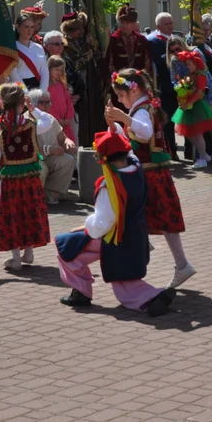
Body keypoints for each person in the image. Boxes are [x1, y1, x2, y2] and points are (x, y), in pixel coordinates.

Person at [54, 128, 176, 315]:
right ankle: (154, 296)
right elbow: (128, 149)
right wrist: (113, 126)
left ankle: (83, 292)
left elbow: (103, 223)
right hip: (136, 235)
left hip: (116, 238)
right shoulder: (136, 167)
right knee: (125, 281)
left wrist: (86, 225)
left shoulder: (109, 185)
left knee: (65, 246)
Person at [108, 69, 197, 289]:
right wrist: (115, 125)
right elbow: (134, 136)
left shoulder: (141, 110)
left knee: (146, 215)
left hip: (150, 175)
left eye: (121, 95)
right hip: (150, 173)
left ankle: (176, 262)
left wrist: (123, 118)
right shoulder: (144, 106)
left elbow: (145, 133)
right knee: (150, 216)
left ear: (134, 89)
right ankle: (171, 258)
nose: (119, 100)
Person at [0, 83, 55, 271]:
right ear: (23, 103)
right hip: (31, 179)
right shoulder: (31, 122)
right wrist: (34, 110)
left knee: (12, 215)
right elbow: (48, 122)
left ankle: (16, 259)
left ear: (1, 103)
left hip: (10, 182)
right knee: (28, 211)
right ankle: (28, 253)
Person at [169, 40, 212, 168]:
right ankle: (204, 155)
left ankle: (209, 154)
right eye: (172, 50)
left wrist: (190, 95)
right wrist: (181, 90)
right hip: (190, 99)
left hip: (200, 98)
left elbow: (199, 91)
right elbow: (176, 80)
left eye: (178, 48)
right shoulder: (188, 72)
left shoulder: (199, 71)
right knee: (189, 130)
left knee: (203, 128)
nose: (176, 52)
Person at [29, 88, 76, 204]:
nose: (47, 106)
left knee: (68, 160)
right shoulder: (26, 120)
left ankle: (51, 192)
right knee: (41, 169)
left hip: (50, 156)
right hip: (33, 158)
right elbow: (28, 148)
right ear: (33, 103)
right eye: (42, 102)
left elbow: (62, 137)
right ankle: (35, 197)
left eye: (48, 102)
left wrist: (68, 142)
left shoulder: (50, 118)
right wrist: (48, 149)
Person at [145, 11, 179, 159]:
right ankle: (170, 151)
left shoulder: (176, 39)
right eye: (166, 23)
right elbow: (158, 63)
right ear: (158, 26)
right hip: (164, 87)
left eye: (171, 22)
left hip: (178, 86)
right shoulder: (153, 41)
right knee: (166, 121)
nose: (170, 26)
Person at [107, 5, 154, 80]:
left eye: (127, 23)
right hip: (119, 80)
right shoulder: (113, 39)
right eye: (122, 22)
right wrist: (120, 77)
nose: (124, 25)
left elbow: (147, 64)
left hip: (138, 80)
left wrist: (138, 76)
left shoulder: (141, 40)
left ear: (134, 23)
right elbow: (109, 63)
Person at [10, 12, 49, 91]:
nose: (29, 30)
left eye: (32, 27)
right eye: (26, 27)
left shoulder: (38, 48)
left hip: (38, 86)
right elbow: (13, 73)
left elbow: (44, 71)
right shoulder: (12, 48)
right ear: (18, 28)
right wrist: (25, 93)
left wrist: (43, 91)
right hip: (19, 88)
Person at [46, 56, 77, 145]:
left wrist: (68, 117)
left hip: (65, 123)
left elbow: (68, 102)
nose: (59, 72)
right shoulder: (47, 86)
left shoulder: (61, 84)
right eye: (56, 69)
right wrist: (58, 120)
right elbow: (48, 106)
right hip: (54, 123)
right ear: (49, 69)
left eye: (61, 70)